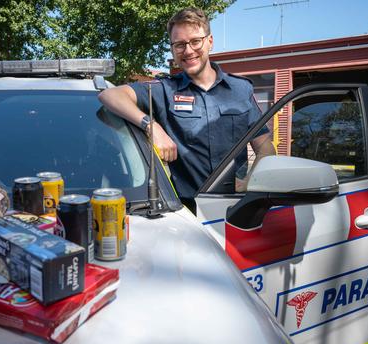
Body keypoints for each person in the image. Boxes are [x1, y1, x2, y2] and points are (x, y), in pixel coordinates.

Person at [98, 7, 275, 212]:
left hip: (237, 209)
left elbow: (265, 148)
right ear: (173, 50)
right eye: (180, 44)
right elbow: (109, 95)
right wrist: (151, 126)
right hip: (186, 213)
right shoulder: (164, 90)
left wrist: (249, 183)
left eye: (195, 41)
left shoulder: (240, 89)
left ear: (209, 41)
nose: (188, 51)